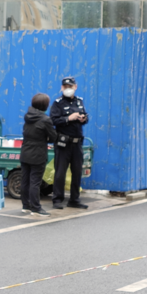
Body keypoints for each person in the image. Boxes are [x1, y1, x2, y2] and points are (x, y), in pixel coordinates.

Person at [49, 76, 89, 210]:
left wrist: (84, 118)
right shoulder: (57, 103)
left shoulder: (79, 101)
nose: (68, 89)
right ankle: (57, 199)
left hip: (77, 143)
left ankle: (74, 199)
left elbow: (85, 115)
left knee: (77, 172)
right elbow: (53, 120)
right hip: (63, 143)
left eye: (70, 87)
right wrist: (68, 118)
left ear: (75, 87)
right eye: (65, 87)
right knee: (60, 172)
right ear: (62, 88)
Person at [20, 92, 56, 217]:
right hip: (38, 153)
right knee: (35, 182)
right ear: (44, 105)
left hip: (25, 152)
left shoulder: (27, 116)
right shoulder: (45, 120)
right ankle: (36, 208)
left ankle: (26, 205)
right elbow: (53, 137)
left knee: (25, 180)